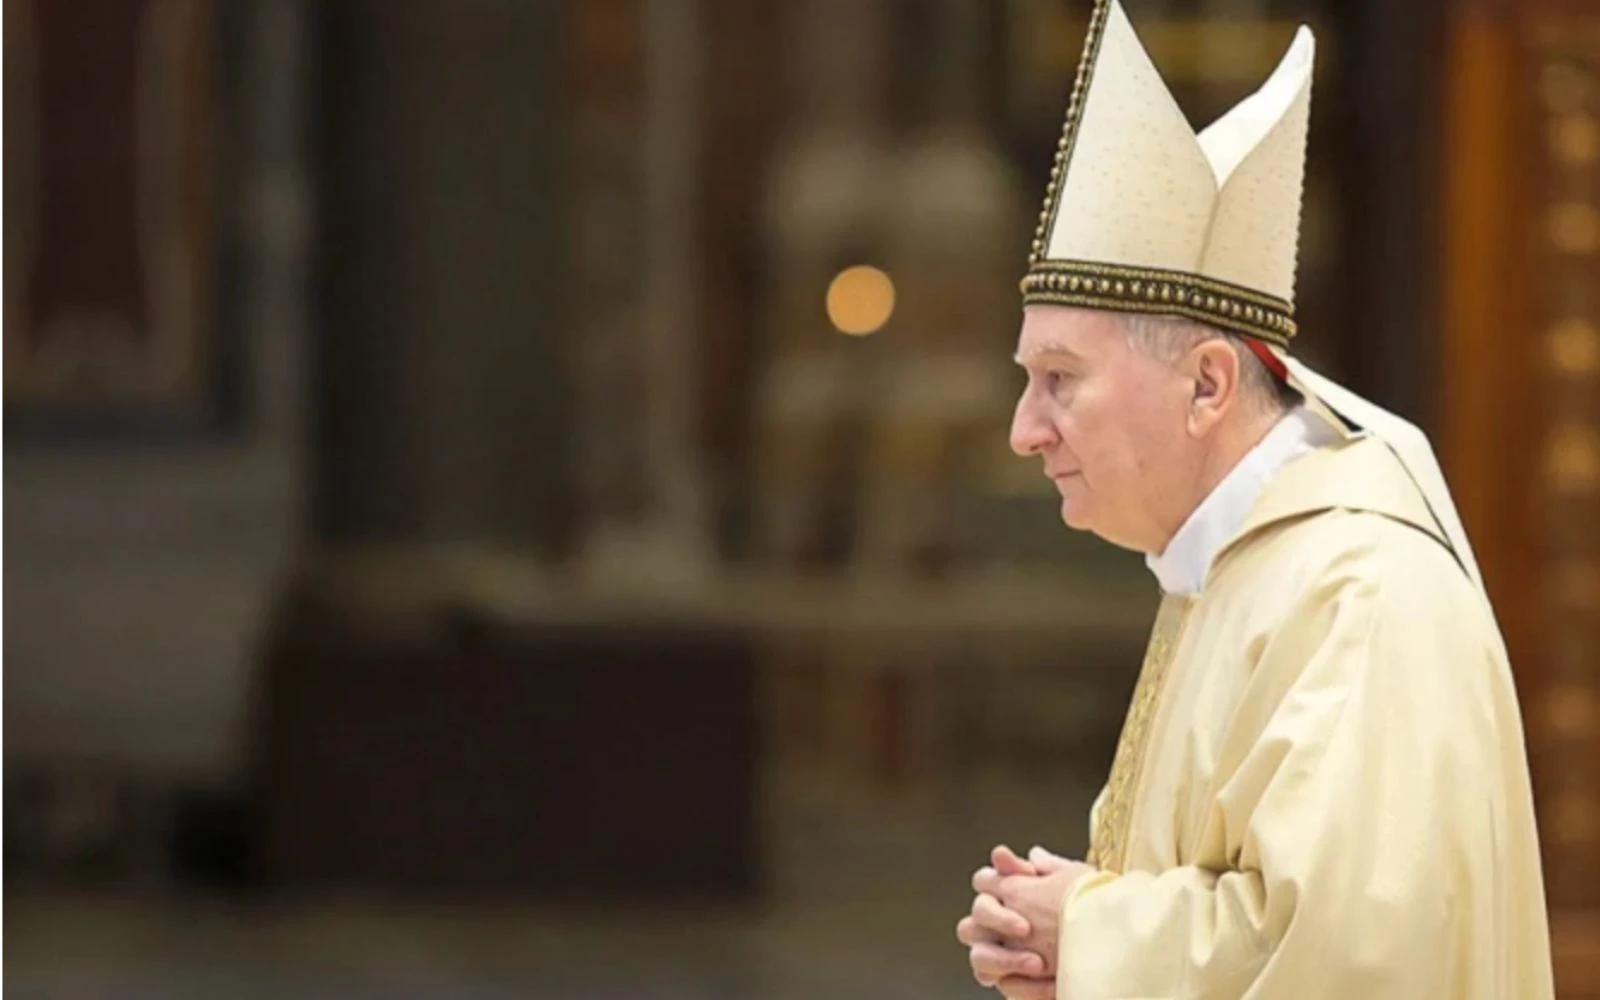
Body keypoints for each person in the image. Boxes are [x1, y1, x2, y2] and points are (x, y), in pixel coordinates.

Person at [954, 2, 1556, 997]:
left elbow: (1355, 962)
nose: (1025, 429)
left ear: (1206, 385)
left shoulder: (1359, 594)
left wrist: (1097, 934)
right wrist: (1063, 928)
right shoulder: (1239, 566)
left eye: (1059, 377)